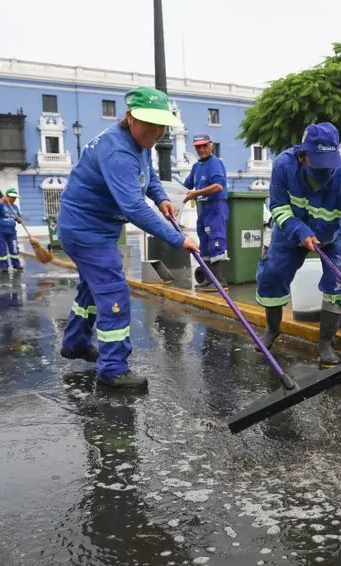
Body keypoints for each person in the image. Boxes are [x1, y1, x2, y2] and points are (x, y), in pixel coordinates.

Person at [55, 86, 200, 391]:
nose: (157, 132)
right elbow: (133, 207)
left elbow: (148, 177)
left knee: (92, 287)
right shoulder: (118, 151)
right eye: (150, 124)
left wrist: (161, 198)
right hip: (86, 231)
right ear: (130, 117)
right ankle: (113, 369)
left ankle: (75, 343)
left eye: (162, 126)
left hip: (93, 228)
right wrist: (177, 238)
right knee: (114, 292)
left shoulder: (139, 144)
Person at [256, 121, 341, 368]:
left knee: (339, 281)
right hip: (292, 228)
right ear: (303, 156)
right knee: (272, 274)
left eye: (329, 163)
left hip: (335, 231)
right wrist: (299, 231)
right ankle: (272, 329)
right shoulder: (284, 165)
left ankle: (326, 343)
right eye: (318, 163)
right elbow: (278, 206)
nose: (325, 170)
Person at [182, 133, 229, 290]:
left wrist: (196, 193)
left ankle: (219, 281)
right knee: (204, 242)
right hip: (203, 208)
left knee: (216, 240)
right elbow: (186, 185)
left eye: (204, 146)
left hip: (215, 207)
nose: (201, 149)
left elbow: (218, 186)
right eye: (198, 147)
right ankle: (209, 280)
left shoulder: (215, 163)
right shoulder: (197, 167)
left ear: (211, 146)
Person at [0, 188, 23, 272]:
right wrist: (2, 202)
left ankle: (16, 264)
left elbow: (19, 218)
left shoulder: (15, 207)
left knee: (14, 248)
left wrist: (19, 220)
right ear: (7, 196)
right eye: (12, 197)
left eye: (15, 197)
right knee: (1, 248)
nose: (14, 199)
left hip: (11, 231)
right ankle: (3, 266)